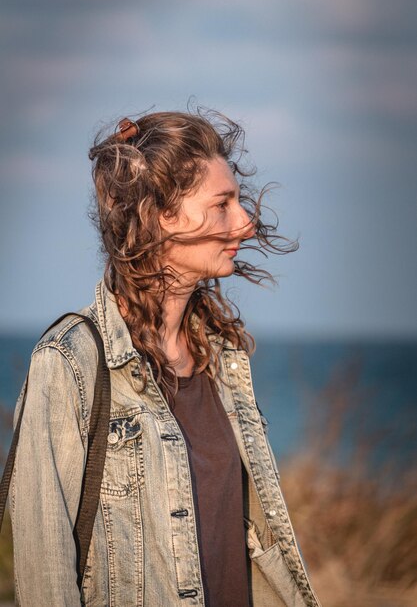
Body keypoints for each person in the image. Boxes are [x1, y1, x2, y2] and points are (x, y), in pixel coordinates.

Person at [10, 107, 321, 606]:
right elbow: (45, 576)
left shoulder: (223, 358)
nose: (245, 221)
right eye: (222, 204)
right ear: (159, 216)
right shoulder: (69, 363)